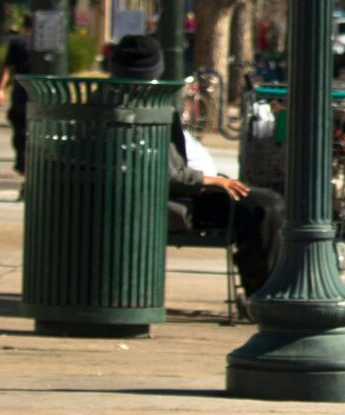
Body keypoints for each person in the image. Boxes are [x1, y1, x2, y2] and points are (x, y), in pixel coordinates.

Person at [107, 34, 282, 293]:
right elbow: (164, 174)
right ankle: (263, 292)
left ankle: (263, 287)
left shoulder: (104, 102)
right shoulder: (146, 107)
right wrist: (210, 180)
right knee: (266, 205)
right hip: (169, 198)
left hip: (163, 190)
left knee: (262, 201)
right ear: (157, 68)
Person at [0, 15, 33, 177]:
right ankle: (29, 163)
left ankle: (21, 161)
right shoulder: (47, 45)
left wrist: (0, 89)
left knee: (19, 127)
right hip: (39, 94)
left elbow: (7, 68)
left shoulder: (17, 42)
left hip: (20, 92)